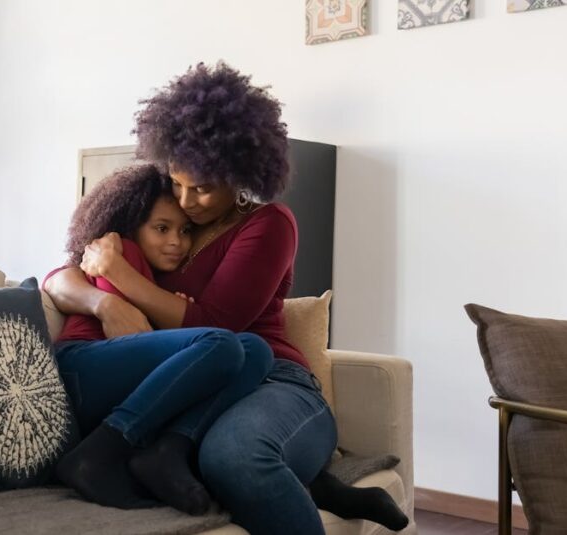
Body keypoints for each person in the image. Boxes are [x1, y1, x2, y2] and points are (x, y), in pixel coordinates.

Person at [45, 62, 408, 534]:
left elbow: (219, 323)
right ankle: (321, 487)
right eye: (177, 183)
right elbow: (61, 277)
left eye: (202, 188)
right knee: (190, 454)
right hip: (190, 389)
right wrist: (103, 298)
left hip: (274, 381)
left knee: (236, 456)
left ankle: (315, 483)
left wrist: (118, 276)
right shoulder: (159, 224)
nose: (187, 201)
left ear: (239, 173)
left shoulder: (269, 224)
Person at [48, 163, 274, 515]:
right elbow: (128, 331)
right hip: (83, 366)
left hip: (113, 375)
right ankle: (96, 455)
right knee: (222, 344)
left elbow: (148, 340)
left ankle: (167, 451)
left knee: (255, 349)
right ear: (131, 225)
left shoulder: (153, 276)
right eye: (161, 228)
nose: (176, 242)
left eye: (185, 231)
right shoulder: (118, 251)